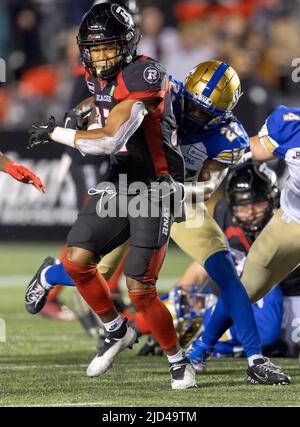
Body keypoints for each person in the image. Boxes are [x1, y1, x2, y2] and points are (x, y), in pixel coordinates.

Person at [26, 57, 290, 385]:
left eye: (205, 113)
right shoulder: (168, 91)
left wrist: (178, 188)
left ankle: (255, 359)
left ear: (225, 113)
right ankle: (51, 273)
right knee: (96, 272)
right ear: (187, 92)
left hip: (181, 197)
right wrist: (80, 112)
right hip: (136, 187)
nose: (195, 116)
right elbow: (110, 98)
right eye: (193, 107)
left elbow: (209, 184)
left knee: (226, 271)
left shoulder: (229, 135)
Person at [24, 2, 196, 390]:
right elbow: (101, 101)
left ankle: (177, 360)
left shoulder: (144, 75)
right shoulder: (96, 75)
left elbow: (110, 138)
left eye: (108, 48)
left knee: (140, 287)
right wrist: (78, 111)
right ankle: (117, 330)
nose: (100, 57)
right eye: (94, 49)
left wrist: (55, 133)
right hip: (121, 180)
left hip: (155, 185)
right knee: (79, 257)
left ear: (128, 45)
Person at [186, 104, 300, 384]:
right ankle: (199, 351)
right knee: (245, 286)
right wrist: (210, 156)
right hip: (293, 220)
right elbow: (250, 150)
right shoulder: (290, 123)